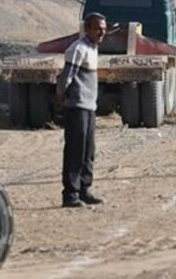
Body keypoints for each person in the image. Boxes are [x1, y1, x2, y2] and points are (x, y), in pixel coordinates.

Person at [56, 12, 107, 207]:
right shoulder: (78, 49)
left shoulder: (93, 49)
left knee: (88, 152)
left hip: (89, 107)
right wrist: (61, 97)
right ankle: (70, 195)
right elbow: (66, 77)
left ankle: (85, 190)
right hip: (77, 107)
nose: (101, 32)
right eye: (97, 28)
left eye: (103, 28)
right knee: (75, 152)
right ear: (87, 29)